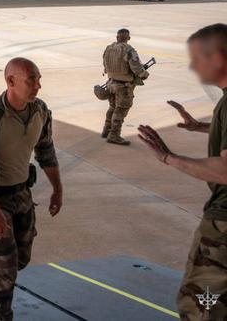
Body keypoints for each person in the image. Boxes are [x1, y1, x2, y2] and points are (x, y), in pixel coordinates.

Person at [137, 24, 227, 320]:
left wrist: (168, 157)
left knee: (203, 305)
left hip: (223, 227)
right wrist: (201, 126)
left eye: (197, 58)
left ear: (218, 58)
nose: (192, 66)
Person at [0, 57, 62, 321]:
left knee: (20, 259)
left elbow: (46, 150)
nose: (38, 85)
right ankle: (0, 314)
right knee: (6, 264)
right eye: (32, 79)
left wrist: (57, 189)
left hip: (21, 194)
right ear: (11, 81)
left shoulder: (40, 111)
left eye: (39, 79)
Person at [101, 28, 149, 145]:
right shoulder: (129, 50)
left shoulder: (108, 48)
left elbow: (105, 65)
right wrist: (144, 74)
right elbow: (136, 67)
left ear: (117, 37)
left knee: (112, 107)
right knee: (120, 110)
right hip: (123, 86)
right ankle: (114, 135)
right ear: (128, 38)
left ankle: (106, 130)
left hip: (111, 84)